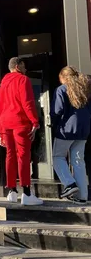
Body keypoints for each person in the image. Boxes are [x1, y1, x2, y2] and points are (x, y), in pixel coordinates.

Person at [0, 57, 43, 205]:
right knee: (23, 155)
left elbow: (0, 107)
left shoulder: (3, 84)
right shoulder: (23, 80)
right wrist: (35, 121)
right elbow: (27, 102)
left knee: (10, 155)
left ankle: (12, 191)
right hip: (20, 122)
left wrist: (1, 130)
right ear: (17, 66)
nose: (25, 69)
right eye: (23, 66)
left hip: (6, 123)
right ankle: (27, 193)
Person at [50, 66, 91, 205]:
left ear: (63, 77)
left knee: (58, 157)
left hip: (66, 129)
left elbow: (58, 110)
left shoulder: (61, 89)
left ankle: (70, 184)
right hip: (83, 130)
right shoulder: (84, 89)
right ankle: (82, 196)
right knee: (78, 161)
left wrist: (54, 124)